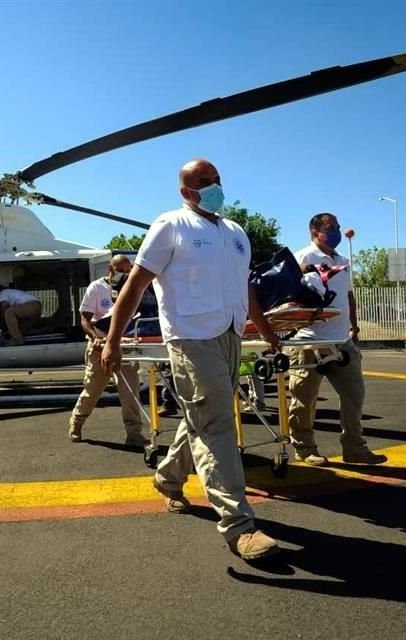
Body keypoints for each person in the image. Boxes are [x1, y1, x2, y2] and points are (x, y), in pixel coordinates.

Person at [101, 158, 282, 561]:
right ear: (186, 191)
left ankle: (167, 479)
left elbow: (246, 289)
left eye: (217, 178)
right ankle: (239, 525)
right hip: (191, 338)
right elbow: (136, 283)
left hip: (230, 335)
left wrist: (265, 332)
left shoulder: (236, 233)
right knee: (217, 425)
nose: (215, 185)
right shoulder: (171, 225)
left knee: (204, 417)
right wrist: (112, 340)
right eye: (205, 181)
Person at [286, 213, 387, 467]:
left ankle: (354, 448)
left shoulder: (343, 261)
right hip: (309, 342)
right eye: (330, 228)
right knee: (304, 398)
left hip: (342, 341)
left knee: (354, 394)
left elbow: (349, 297)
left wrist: (355, 327)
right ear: (314, 231)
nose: (336, 232)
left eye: (338, 227)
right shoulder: (302, 257)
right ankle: (305, 447)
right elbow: (288, 297)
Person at [68, 254, 147, 446]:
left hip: (125, 346)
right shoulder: (97, 287)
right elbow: (85, 319)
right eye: (121, 271)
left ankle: (134, 432)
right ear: (110, 269)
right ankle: (77, 421)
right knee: (92, 389)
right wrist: (95, 338)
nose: (125, 274)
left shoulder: (132, 288)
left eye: (128, 271)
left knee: (130, 392)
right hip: (100, 345)